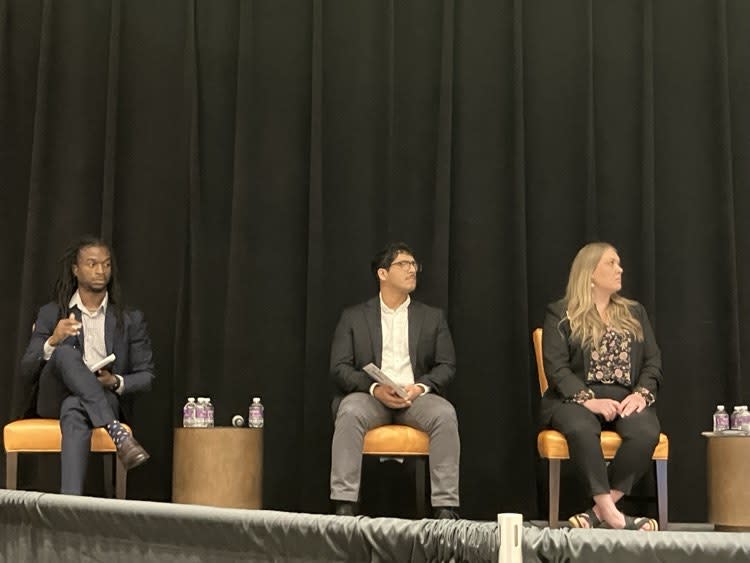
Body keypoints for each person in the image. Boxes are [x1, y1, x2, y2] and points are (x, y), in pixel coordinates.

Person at [329, 242, 460, 519]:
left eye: (414, 265)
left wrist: (420, 387)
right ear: (382, 274)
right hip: (370, 397)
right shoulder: (354, 317)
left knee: (445, 415)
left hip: (415, 398)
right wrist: (374, 388)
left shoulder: (432, 317)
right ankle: (344, 506)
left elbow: (446, 365)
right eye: (404, 264)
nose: (412, 269)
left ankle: (445, 508)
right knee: (349, 411)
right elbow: (339, 367)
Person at [540, 242, 662, 531]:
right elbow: (556, 367)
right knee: (582, 428)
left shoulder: (634, 312)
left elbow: (653, 360)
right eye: (611, 263)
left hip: (625, 397)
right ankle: (616, 517)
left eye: (619, 263)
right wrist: (587, 399)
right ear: (590, 272)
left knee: (646, 430)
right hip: (572, 399)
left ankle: (597, 513)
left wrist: (641, 394)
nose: (620, 269)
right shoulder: (561, 314)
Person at [20, 236, 154, 495]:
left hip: (102, 396)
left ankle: (70, 508)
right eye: (92, 264)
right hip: (54, 396)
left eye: (106, 265)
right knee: (64, 355)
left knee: (74, 409)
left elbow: (146, 376)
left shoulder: (129, 319)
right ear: (76, 269)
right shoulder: (52, 313)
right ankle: (117, 431)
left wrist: (115, 382)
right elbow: (26, 370)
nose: (100, 271)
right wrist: (52, 340)